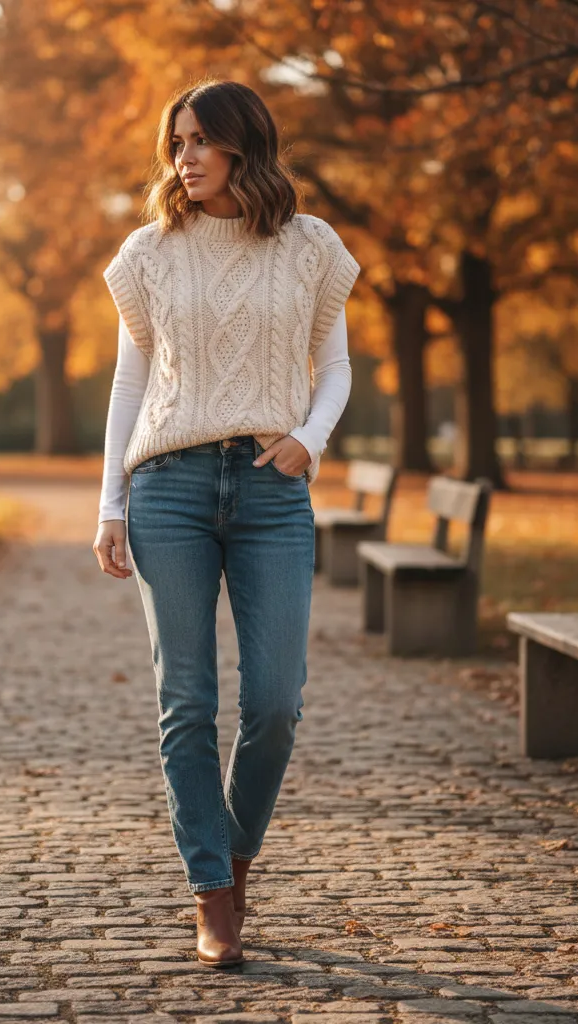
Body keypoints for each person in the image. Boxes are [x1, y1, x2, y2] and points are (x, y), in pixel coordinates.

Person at [92, 78, 360, 967]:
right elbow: (131, 384)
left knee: (276, 701)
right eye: (176, 143)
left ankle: (233, 854)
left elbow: (336, 367)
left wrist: (309, 441)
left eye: (202, 139)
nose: (186, 158)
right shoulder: (150, 252)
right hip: (168, 484)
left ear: (247, 142)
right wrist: (111, 503)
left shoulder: (311, 246)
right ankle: (213, 893)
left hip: (270, 488)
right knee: (187, 702)